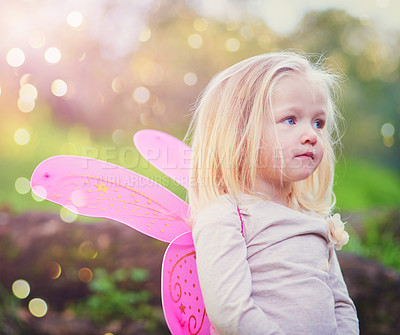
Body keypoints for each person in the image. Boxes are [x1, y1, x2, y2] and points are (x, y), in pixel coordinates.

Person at [186, 52, 359, 334]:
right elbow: (230, 311)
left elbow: (340, 302)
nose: (312, 135)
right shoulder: (227, 216)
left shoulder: (311, 218)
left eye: (318, 122)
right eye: (290, 119)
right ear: (240, 131)